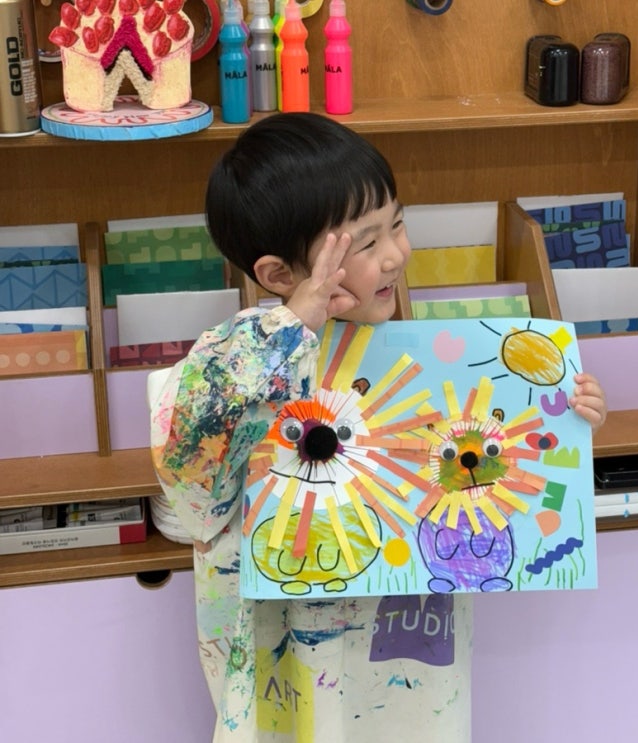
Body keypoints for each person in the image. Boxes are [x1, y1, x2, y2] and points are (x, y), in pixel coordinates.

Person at [150, 111, 608, 742]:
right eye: (365, 244)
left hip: (408, 641)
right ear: (280, 275)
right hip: (285, 650)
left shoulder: (422, 357)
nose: (397, 253)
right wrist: (292, 328)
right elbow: (189, 479)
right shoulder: (242, 356)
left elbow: (497, 471)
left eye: (397, 223)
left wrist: (565, 418)